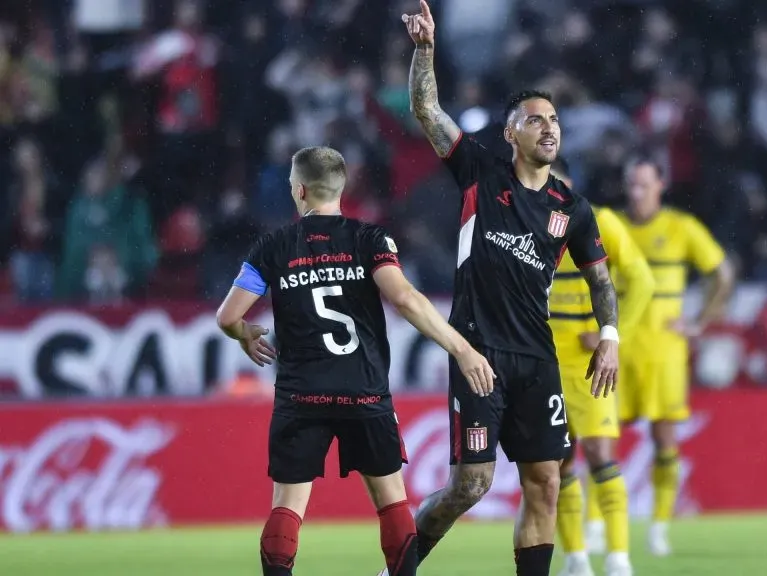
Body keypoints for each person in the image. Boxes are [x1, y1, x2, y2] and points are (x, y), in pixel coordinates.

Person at [381, 2, 620, 575]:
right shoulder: (480, 173)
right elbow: (426, 109)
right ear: (512, 132)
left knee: (546, 480)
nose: (550, 127)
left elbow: (601, 280)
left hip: (537, 357)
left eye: (555, 120)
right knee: (472, 485)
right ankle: (399, 568)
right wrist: (425, 51)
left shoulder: (573, 208)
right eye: (537, 119)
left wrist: (610, 334)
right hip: (477, 353)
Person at [215, 145, 494, 576]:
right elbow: (404, 298)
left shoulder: (273, 246)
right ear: (341, 188)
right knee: (392, 504)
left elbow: (228, 315)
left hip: (301, 394)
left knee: (288, 508)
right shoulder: (370, 239)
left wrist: (244, 334)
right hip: (362, 390)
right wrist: (461, 347)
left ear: (300, 190)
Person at [591, 156, 734, 557]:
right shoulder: (610, 226)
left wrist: (701, 322)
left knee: (664, 438)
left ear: (662, 184)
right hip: (617, 347)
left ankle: (658, 527)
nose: (637, 192)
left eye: (644, 184)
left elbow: (723, 273)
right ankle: (598, 524)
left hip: (665, 351)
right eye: (631, 184)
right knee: (601, 439)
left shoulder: (681, 228)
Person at [547, 158, 654, 576]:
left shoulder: (600, 220)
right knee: (559, 462)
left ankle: (618, 558)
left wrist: (612, 332)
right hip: (544, 361)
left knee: (600, 455)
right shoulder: (523, 223)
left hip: (591, 364)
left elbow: (642, 281)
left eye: (559, 183)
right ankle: (576, 559)